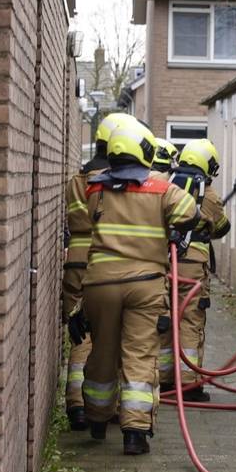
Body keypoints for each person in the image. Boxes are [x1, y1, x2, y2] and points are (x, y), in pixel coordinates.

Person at [81, 118, 199, 455]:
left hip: (100, 283)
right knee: (140, 353)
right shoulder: (161, 188)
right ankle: (134, 432)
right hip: (145, 285)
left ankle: (97, 419)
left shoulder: (94, 189)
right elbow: (190, 213)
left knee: (102, 351)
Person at [62, 112, 139, 431]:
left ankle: (77, 405)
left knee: (80, 333)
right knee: (112, 336)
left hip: (77, 261)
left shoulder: (76, 180)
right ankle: (109, 406)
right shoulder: (114, 182)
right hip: (107, 260)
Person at [162, 138, 231, 402]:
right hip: (191, 268)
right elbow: (222, 227)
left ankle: (165, 381)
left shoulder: (167, 185)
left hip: (166, 262)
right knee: (190, 320)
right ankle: (188, 385)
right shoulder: (209, 195)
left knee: (166, 319)